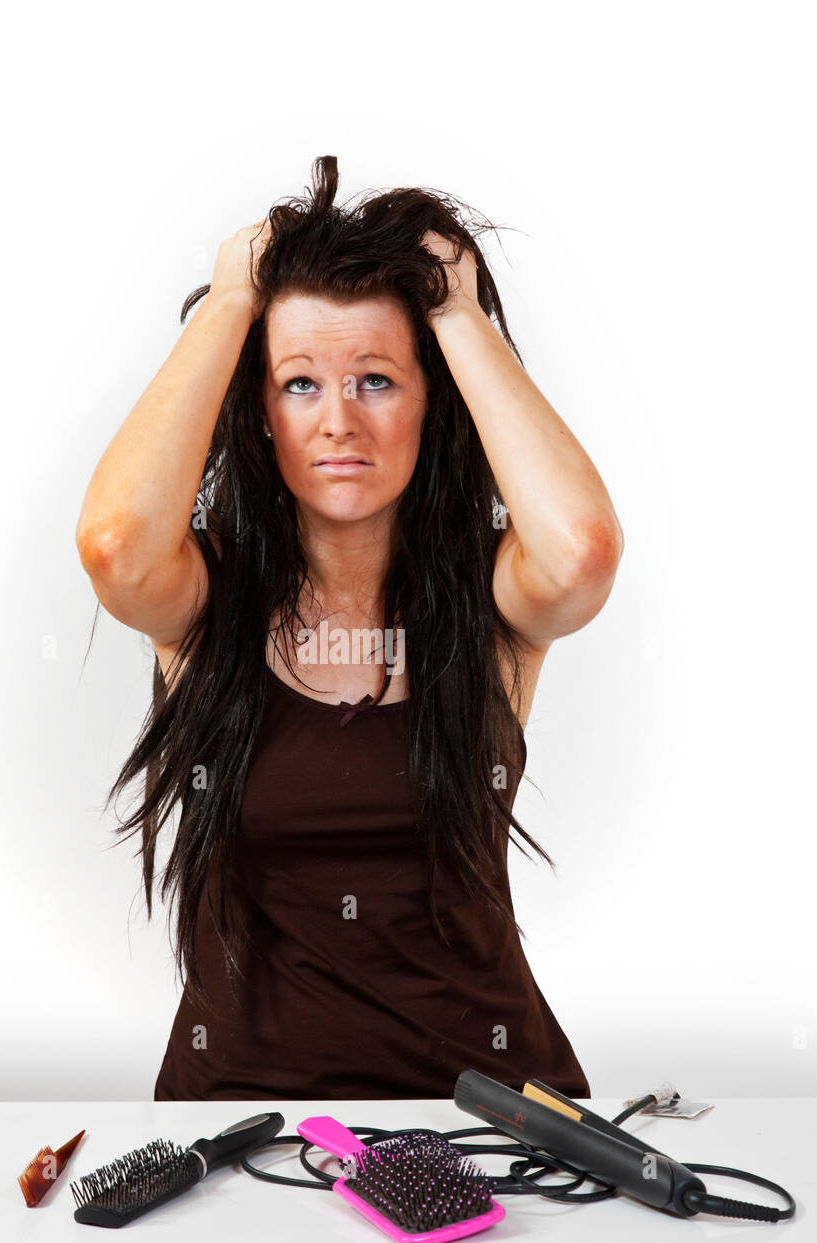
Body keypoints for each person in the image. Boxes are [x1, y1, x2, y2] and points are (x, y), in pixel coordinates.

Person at [76, 156, 624, 1101]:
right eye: (299, 385)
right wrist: (231, 304)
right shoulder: (205, 597)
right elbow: (116, 543)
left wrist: (458, 314)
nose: (339, 422)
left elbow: (582, 551)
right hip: (246, 1116)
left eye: (376, 380)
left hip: (491, 1113)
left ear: (430, 403)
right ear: (258, 412)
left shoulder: (490, 600)